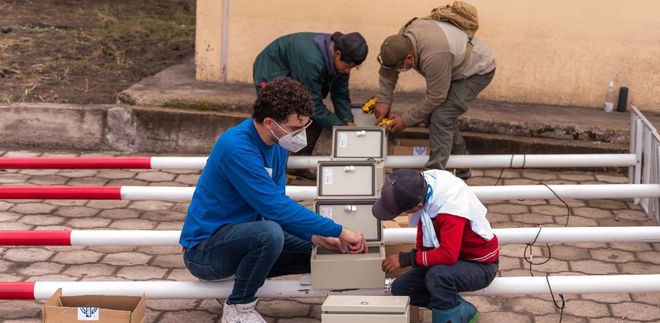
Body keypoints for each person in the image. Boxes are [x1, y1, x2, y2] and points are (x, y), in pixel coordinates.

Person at [180, 77, 368, 323]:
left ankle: (347, 300)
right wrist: (340, 229)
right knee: (269, 234)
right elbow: (275, 208)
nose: (300, 135)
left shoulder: (278, 144)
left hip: (245, 238)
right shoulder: (236, 147)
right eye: (294, 128)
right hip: (205, 252)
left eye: (304, 126)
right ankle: (237, 309)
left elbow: (276, 204)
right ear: (270, 123)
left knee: (319, 252)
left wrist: (317, 236)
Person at [374, 17, 496, 180]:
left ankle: (433, 178)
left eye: (400, 67)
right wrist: (384, 100)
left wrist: (405, 120)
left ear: (409, 58)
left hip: (477, 71)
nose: (399, 70)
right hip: (453, 66)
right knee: (442, 117)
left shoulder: (435, 54)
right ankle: (461, 170)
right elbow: (389, 71)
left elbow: (436, 97)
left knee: (441, 116)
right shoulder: (401, 40)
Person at [373, 169, 499, 323]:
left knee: (438, 276)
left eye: (402, 211)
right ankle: (461, 309)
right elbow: (424, 235)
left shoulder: (450, 209)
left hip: (480, 265)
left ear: (418, 205)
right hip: (451, 262)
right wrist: (417, 263)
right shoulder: (423, 187)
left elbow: (448, 255)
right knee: (401, 288)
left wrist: (407, 259)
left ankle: (447, 319)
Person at [253, 31, 369, 179]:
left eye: (351, 68)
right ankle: (270, 168)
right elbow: (314, 105)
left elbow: (340, 94)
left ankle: (298, 164)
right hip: (272, 71)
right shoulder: (311, 60)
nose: (347, 71)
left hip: (298, 74)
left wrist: (348, 122)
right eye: (346, 66)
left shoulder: (341, 57)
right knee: (282, 117)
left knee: (313, 117)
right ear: (337, 54)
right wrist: (340, 128)